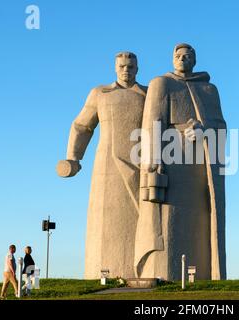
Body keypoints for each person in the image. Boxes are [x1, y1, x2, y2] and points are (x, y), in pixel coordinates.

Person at [134, 43, 227, 280]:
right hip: (170, 165)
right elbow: (152, 123)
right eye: (178, 55)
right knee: (167, 223)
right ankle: (166, 275)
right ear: (172, 59)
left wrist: (204, 128)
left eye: (187, 56)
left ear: (194, 60)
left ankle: (202, 275)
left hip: (199, 170)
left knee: (199, 223)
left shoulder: (209, 90)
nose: (182, 59)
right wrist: (153, 163)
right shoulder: (161, 84)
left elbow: (221, 126)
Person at [57, 52, 147, 279]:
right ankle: (103, 271)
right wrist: (73, 157)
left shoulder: (148, 94)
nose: (126, 70)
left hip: (142, 165)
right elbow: (82, 126)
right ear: (115, 68)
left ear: (137, 69)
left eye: (131, 66)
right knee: (106, 224)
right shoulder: (100, 93)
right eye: (122, 66)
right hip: (107, 167)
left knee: (142, 220)